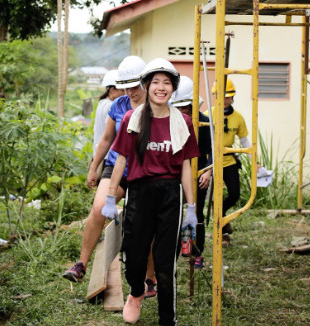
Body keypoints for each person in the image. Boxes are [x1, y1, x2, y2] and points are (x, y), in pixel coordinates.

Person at [102, 58, 199, 325]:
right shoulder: (132, 118)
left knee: (166, 264)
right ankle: (136, 291)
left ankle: (168, 319)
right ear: (146, 86)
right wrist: (111, 197)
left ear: (173, 89)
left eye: (167, 83)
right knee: (134, 258)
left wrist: (191, 208)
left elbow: (187, 168)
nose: (161, 87)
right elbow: (121, 158)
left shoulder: (183, 122)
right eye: (155, 82)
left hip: (170, 194)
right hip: (139, 193)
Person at [64, 56, 157, 298]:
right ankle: (80, 265)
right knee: (97, 209)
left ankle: (151, 278)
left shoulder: (157, 108)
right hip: (116, 167)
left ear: (146, 83)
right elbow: (106, 139)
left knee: (146, 225)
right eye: (126, 86)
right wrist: (94, 167)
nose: (130, 92)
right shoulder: (118, 105)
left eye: (135, 86)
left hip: (144, 173)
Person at [171, 76, 212, 269]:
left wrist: (208, 171)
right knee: (175, 214)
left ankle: (197, 253)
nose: (181, 111)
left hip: (199, 175)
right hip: (176, 174)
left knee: (196, 214)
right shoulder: (171, 121)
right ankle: (178, 249)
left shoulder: (205, 123)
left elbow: (213, 151)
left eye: (185, 106)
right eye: (178, 107)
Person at [212, 78, 249, 244]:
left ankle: (223, 216)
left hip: (229, 160)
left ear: (232, 97)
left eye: (228, 96)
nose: (225, 99)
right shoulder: (208, 115)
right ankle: (222, 231)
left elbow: (245, 142)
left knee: (234, 194)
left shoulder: (238, 118)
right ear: (215, 95)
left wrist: (254, 162)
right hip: (212, 161)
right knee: (215, 196)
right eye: (221, 96)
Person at [93, 69, 120, 150]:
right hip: (107, 155)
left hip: (98, 151)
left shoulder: (102, 102)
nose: (125, 94)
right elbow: (110, 132)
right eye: (122, 90)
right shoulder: (111, 106)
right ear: (112, 90)